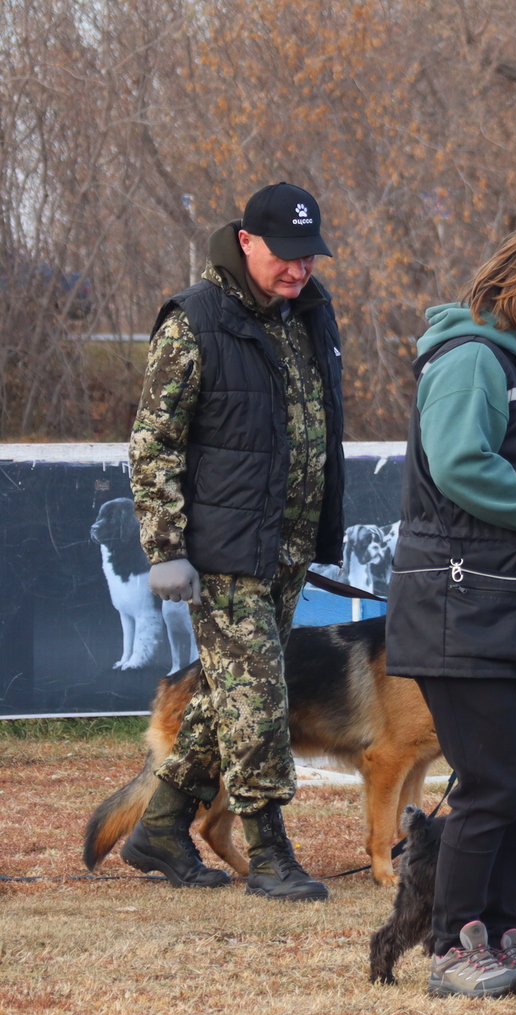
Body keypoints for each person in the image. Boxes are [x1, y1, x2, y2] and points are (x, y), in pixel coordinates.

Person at [122, 182, 346, 900]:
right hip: (221, 552)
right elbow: (152, 444)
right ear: (246, 241)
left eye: (309, 257)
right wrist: (165, 548)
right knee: (258, 698)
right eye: (286, 256)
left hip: (286, 546)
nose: (298, 270)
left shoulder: (310, 312)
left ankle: (159, 828)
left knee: (228, 696)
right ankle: (270, 850)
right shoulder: (194, 321)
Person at [386, 229, 516, 1000]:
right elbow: (461, 464)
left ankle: (506, 938)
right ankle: (454, 946)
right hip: (461, 607)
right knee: (494, 780)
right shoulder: (471, 359)